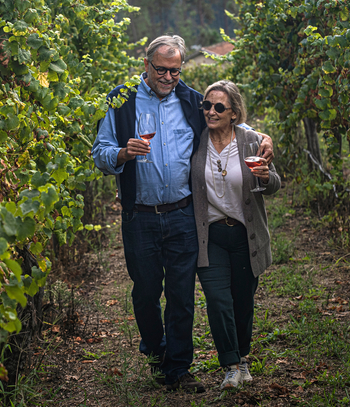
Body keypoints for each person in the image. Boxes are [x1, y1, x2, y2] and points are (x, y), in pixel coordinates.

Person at [91, 36, 272, 392]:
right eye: (162, 69)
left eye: (175, 70)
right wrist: (123, 154)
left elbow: (231, 122)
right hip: (139, 216)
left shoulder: (191, 101)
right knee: (145, 292)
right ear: (146, 65)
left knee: (181, 295)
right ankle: (156, 352)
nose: (169, 77)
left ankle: (178, 367)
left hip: (182, 214)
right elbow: (100, 152)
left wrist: (263, 136)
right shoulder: (121, 100)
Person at [190, 80, 280, 390]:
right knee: (217, 301)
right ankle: (229, 365)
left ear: (234, 113)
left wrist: (266, 177)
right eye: (207, 106)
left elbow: (275, 183)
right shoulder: (195, 140)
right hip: (211, 235)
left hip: (244, 236)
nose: (210, 112)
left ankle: (243, 357)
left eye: (218, 107)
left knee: (243, 301)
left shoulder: (251, 140)